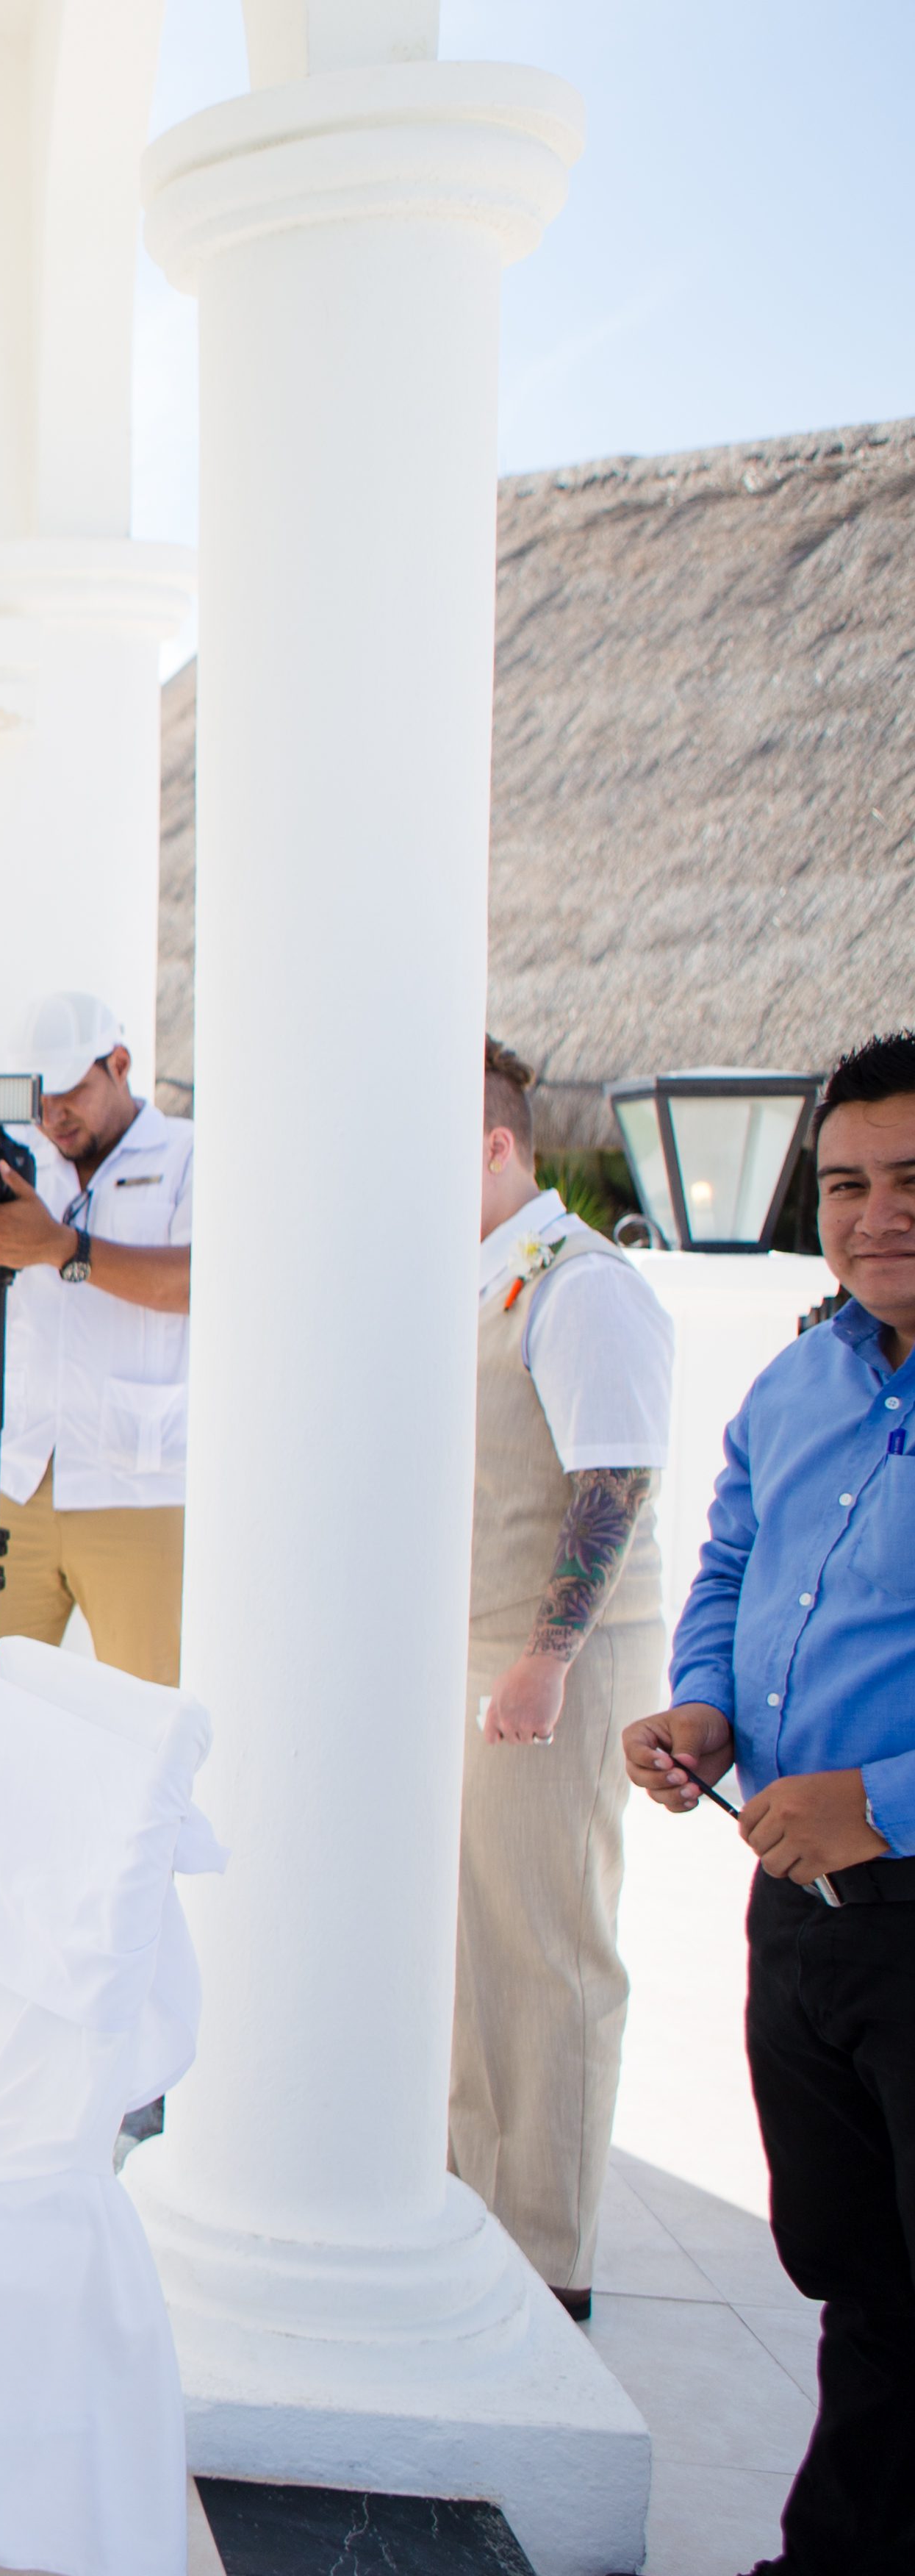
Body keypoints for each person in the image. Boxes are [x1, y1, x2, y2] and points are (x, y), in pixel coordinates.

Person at [628, 1027, 915, 2576]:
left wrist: (884, 1801)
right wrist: (704, 1706)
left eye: (913, 1179)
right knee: (859, 2277)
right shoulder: (799, 1378)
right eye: (849, 1183)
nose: (877, 1215)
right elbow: (732, 1560)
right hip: (800, 1917)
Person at [452, 1036, 677, 2319]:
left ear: (498, 1147)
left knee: (549, 1954)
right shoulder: (484, 1278)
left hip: (555, 1668)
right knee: (476, 1951)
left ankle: (549, 2257)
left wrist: (545, 1660)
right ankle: (475, 2211)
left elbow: (615, 1481)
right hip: (484, 1656)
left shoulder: (582, 1285)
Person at [0, 990, 193, 1931]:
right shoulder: (6, 1160)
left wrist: (63, 1248)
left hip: (143, 1485)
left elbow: (207, 1284)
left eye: (73, 1090)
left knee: (149, 1731)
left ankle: (138, 1952)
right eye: (40, 1096)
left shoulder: (191, 1156)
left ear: (120, 1064)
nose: (56, 1114)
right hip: (3, 1473)